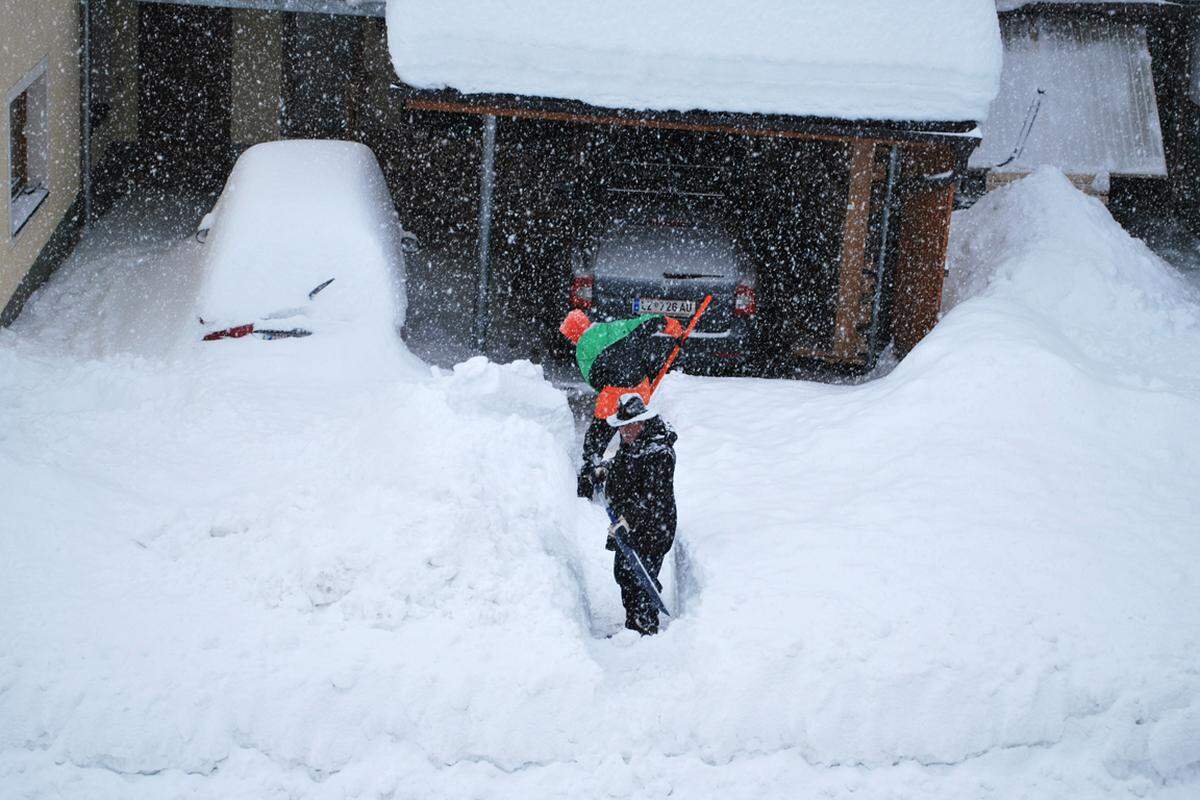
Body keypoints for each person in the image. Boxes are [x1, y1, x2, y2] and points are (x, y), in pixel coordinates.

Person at [559, 309, 683, 498]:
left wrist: (613, 384)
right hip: (640, 391)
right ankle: (640, 466)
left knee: (595, 440)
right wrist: (673, 327)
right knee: (638, 431)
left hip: (612, 398)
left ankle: (587, 480)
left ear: (573, 335)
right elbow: (648, 322)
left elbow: (594, 379)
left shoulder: (582, 348)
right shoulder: (615, 326)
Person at [597, 393, 678, 636]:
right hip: (630, 524)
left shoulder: (660, 453)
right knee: (623, 572)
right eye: (622, 427)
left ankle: (645, 625)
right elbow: (625, 468)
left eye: (631, 426)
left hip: (654, 528)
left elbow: (653, 496)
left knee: (642, 577)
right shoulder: (632, 443)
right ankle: (632, 624)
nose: (626, 432)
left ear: (643, 422)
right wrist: (606, 469)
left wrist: (628, 519)